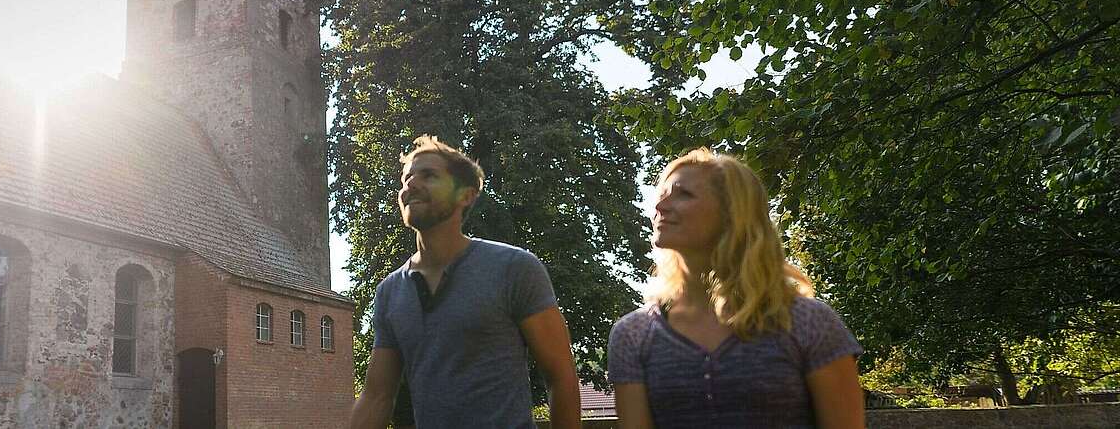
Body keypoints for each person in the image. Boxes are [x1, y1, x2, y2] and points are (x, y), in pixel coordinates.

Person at [608, 148, 865, 428]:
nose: (660, 206)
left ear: (732, 214)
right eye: (662, 195)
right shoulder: (633, 335)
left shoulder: (807, 322)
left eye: (683, 194)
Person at [348, 135, 580, 429]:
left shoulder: (514, 268)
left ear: (466, 195)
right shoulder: (390, 292)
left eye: (428, 175)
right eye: (406, 178)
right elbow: (376, 397)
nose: (411, 185)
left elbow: (560, 375)